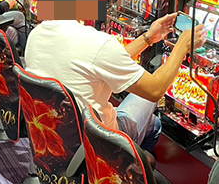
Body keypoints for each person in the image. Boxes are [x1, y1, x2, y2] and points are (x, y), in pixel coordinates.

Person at [25, 16, 207, 152]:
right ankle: (126, 177)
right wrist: (182, 46)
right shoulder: (97, 43)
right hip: (99, 142)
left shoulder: (37, 34)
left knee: (151, 121)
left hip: (56, 137)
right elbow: (155, 90)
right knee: (152, 118)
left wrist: (148, 38)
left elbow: (104, 59)